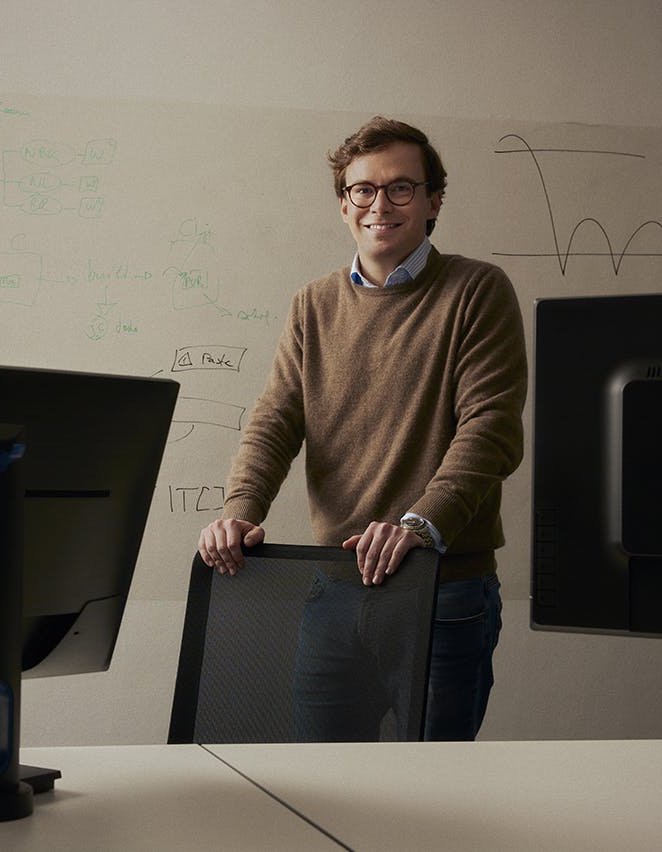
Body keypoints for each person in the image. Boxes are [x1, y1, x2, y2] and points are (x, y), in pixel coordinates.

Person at [197, 116, 528, 742]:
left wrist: (418, 527)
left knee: (431, 796)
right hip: (335, 588)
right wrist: (241, 509)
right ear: (344, 204)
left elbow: (491, 430)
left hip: (444, 591)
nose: (381, 204)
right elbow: (275, 421)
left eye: (402, 188)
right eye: (363, 190)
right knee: (323, 788)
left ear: (433, 202)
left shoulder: (476, 290)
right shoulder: (311, 305)